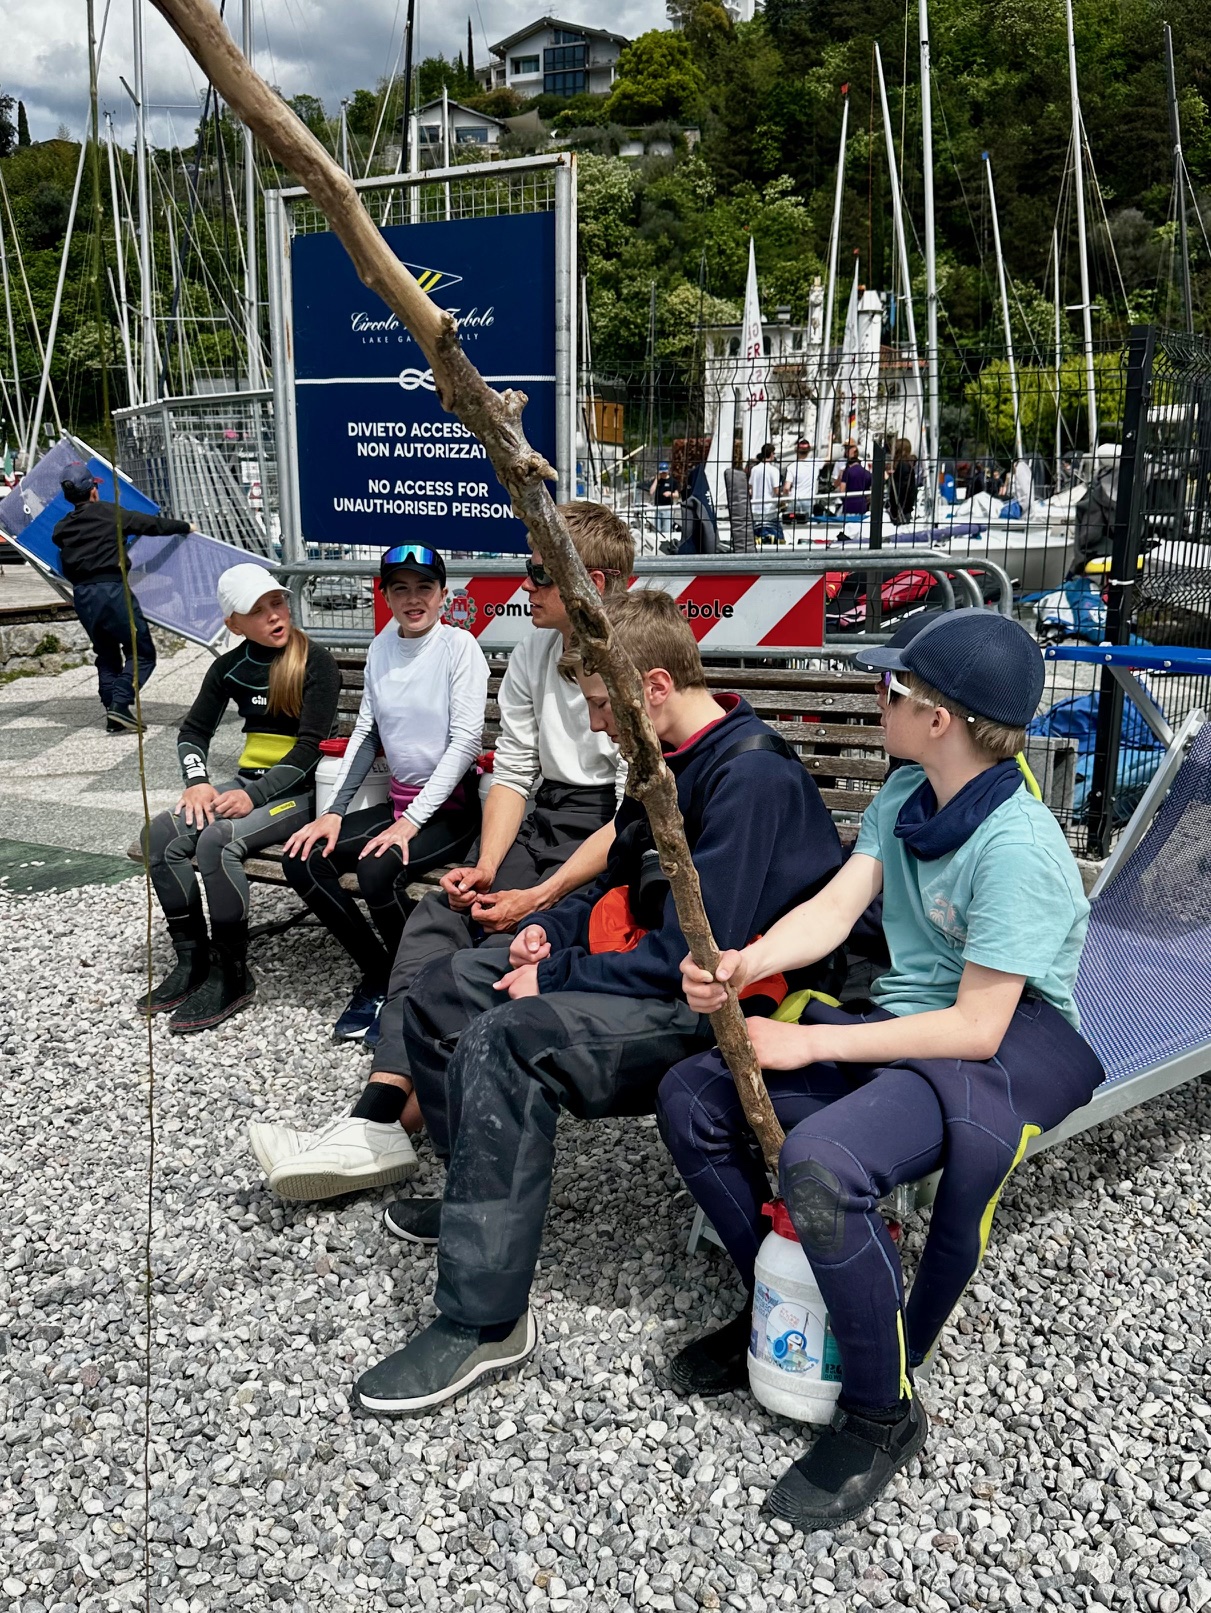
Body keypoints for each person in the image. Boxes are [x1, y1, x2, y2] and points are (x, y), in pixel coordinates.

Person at [349, 588, 846, 1415]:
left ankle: (483, 1322)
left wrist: (556, 977)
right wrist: (545, 934)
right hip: (645, 969)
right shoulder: (661, 763)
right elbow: (617, 885)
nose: (596, 725)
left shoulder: (749, 776)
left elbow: (699, 952)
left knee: (507, 1039)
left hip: (719, 1005)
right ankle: (479, 1192)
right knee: (443, 990)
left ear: (654, 685)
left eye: (603, 706)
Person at [662, 609, 1103, 1527]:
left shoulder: (1019, 849)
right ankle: (780, 1299)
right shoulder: (908, 793)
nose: (877, 697)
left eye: (890, 688)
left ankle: (881, 1411)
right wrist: (741, 964)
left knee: (820, 1164)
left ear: (937, 718)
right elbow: (835, 909)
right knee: (691, 1096)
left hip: (996, 1048)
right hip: (906, 1023)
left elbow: (977, 1026)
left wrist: (810, 1041)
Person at [251, 504, 633, 1198]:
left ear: (592, 582)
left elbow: (634, 814)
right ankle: (375, 1118)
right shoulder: (534, 650)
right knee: (439, 916)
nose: (525, 586)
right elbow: (512, 771)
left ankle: (379, 1125)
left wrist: (537, 893)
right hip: (544, 817)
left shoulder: (633, 655)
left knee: (508, 938)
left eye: (539, 574)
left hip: (610, 836)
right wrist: (486, 866)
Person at [281, 543, 487, 1042]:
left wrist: (410, 823)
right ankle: (380, 972)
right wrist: (333, 812)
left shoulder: (460, 647)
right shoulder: (380, 648)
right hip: (399, 804)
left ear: (443, 594)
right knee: (303, 857)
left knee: (377, 871)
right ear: (386, 596)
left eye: (424, 587)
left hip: (452, 809)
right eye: (400, 588)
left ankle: (410, 986)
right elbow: (367, 733)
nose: (413, 599)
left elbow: (466, 743)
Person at [139, 566, 341, 1033]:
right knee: (160, 835)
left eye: (278, 602)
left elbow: (311, 749)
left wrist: (252, 796)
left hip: (301, 793)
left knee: (218, 841)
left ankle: (231, 971)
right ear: (233, 623)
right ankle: (192, 960)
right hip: (250, 786)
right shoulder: (228, 666)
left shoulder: (316, 661)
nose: (275, 615)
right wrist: (197, 782)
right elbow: (193, 731)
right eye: (258, 610)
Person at [51, 462, 194, 733]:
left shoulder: (61, 528)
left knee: (106, 655)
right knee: (142, 653)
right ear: (93, 491)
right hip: (113, 592)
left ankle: (112, 715)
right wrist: (184, 526)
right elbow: (151, 525)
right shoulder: (111, 514)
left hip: (83, 597)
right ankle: (120, 702)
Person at [748, 443, 783, 543]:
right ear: (771, 454)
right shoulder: (774, 470)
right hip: (769, 509)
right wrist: (783, 498)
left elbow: (750, 488)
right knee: (776, 536)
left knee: (757, 537)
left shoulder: (754, 469)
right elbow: (776, 490)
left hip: (756, 508)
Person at [781, 439, 823, 519]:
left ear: (796, 451)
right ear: (808, 451)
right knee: (806, 522)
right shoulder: (815, 463)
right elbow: (829, 458)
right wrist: (830, 440)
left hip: (794, 499)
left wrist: (784, 499)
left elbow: (786, 488)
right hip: (808, 499)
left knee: (791, 521)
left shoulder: (792, 466)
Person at [834, 443, 873, 516]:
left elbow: (842, 490)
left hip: (848, 506)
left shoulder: (847, 472)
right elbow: (872, 490)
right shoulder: (867, 473)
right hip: (862, 507)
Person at [887, 438, 918, 526]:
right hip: (902, 507)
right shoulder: (905, 464)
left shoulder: (903, 465)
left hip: (901, 508)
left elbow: (902, 486)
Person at [648, 462, 679, 536]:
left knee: (666, 530)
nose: (663, 474)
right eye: (662, 473)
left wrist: (670, 494)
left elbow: (677, 495)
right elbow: (651, 492)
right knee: (657, 530)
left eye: (665, 473)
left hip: (667, 507)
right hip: (658, 507)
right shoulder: (657, 481)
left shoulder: (672, 481)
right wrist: (656, 479)